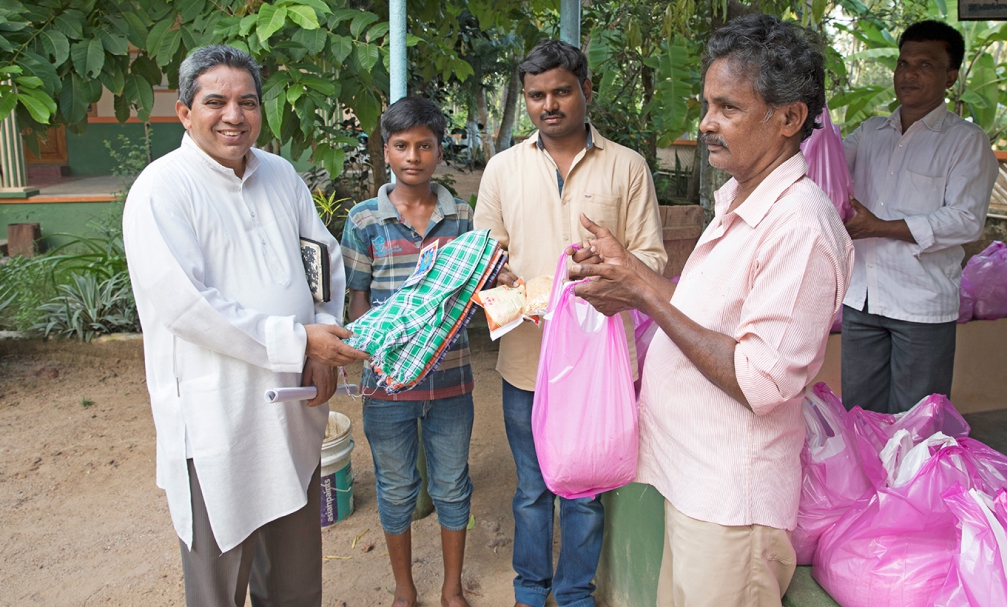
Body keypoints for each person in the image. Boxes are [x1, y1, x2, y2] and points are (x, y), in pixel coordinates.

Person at [569, 14, 853, 606]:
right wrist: (630, 272)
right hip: (696, 485)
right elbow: (701, 313)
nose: (705, 123)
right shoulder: (740, 199)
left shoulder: (800, 227)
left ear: (789, 118)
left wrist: (641, 291)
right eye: (706, 104)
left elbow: (761, 380)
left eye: (728, 108)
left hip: (732, 503)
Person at [123, 45, 365, 607]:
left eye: (247, 102)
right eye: (216, 101)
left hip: (290, 409)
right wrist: (298, 340)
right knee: (218, 588)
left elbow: (319, 262)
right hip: (218, 421)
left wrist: (320, 342)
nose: (234, 115)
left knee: (295, 581)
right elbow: (188, 307)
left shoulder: (280, 175)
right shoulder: (162, 189)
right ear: (184, 113)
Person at [473, 39, 667, 607]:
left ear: (587, 90)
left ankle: (576, 592)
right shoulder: (503, 168)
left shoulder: (627, 166)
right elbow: (485, 256)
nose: (548, 104)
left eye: (561, 91)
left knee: (584, 490)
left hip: (599, 367)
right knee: (532, 489)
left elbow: (652, 261)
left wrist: (606, 272)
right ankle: (531, 591)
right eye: (536, 95)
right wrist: (503, 280)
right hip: (526, 362)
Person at [340, 97, 475, 607]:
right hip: (386, 386)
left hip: (451, 380)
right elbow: (357, 295)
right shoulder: (365, 219)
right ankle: (404, 588)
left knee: (452, 485)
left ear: (440, 150)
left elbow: (471, 287)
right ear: (386, 150)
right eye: (401, 145)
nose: (413, 156)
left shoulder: (460, 214)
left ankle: (452, 588)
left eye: (424, 145)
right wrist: (368, 348)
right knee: (395, 488)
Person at [840, 20, 998, 414]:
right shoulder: (871, 132)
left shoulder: (965, 141)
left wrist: (877, 227)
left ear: (950, 75)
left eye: (924, 65)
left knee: (917, 425)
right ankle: (868, 479)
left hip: (920, 305)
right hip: (862, 299)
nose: (908, 74)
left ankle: (914, 480)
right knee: (860, 416)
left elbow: (964, 220)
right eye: (903, 63)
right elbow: (827, 167)